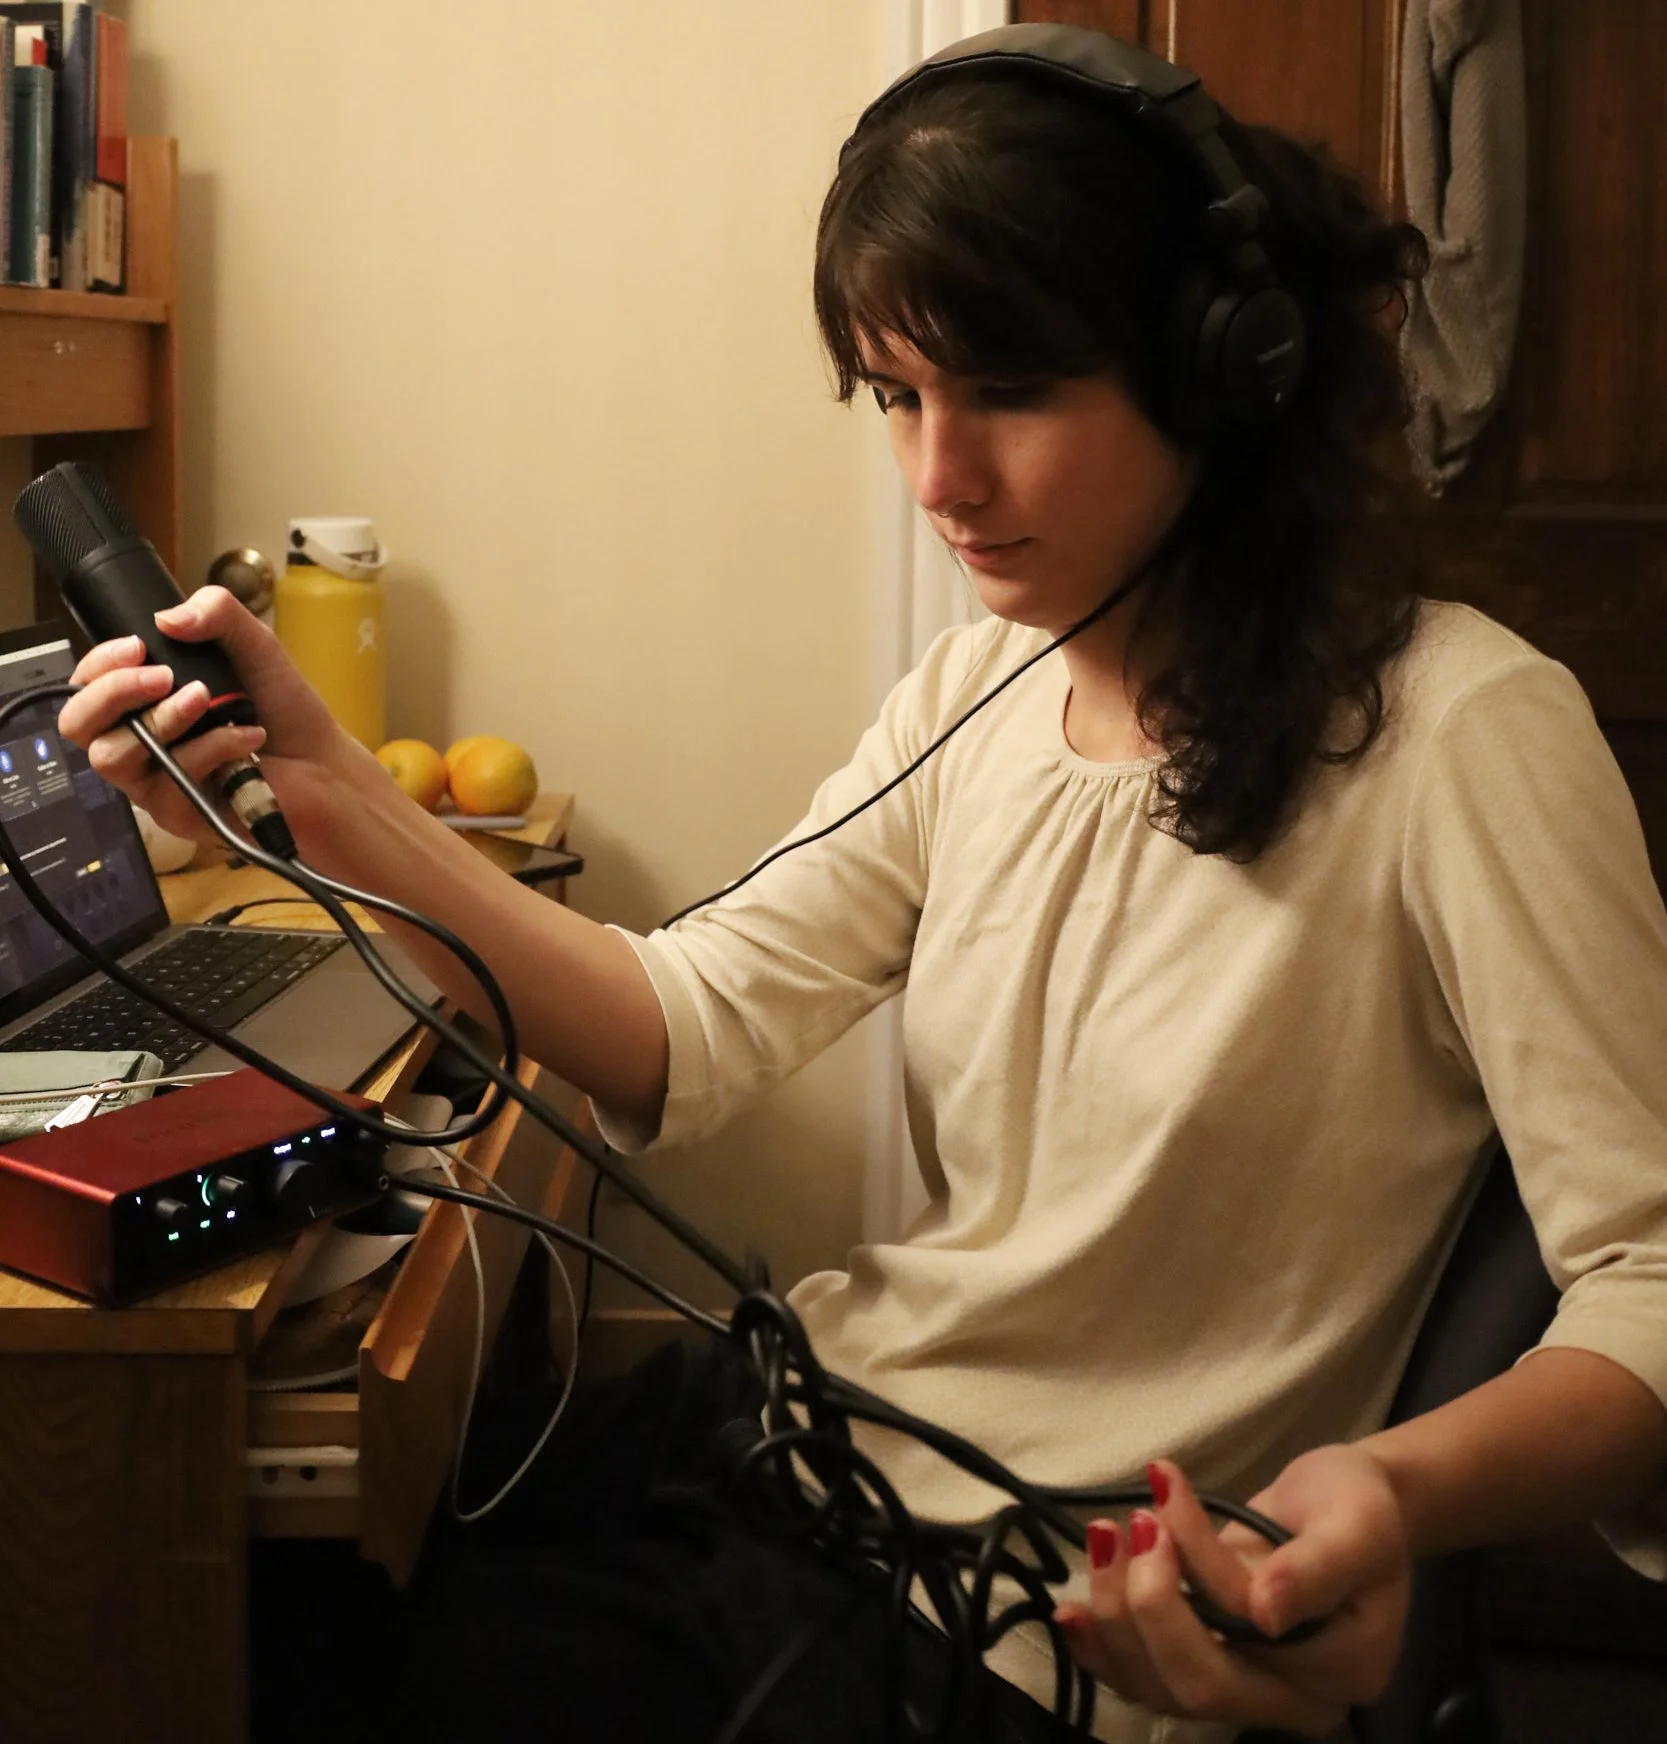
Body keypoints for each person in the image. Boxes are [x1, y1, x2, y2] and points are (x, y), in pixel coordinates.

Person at [58, 23, 1667, 1744]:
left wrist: (1388, 1494)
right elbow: (679, 1023)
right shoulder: (977, 697)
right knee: (272, 1576)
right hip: (815, 1436)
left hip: (1025, 1618)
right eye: (897, 396)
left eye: (1011, 391)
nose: (935, 480)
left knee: (334, 1660)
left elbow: (1647, 1277)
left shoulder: (1468, 733)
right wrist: (316, 793)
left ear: (1222, 376)